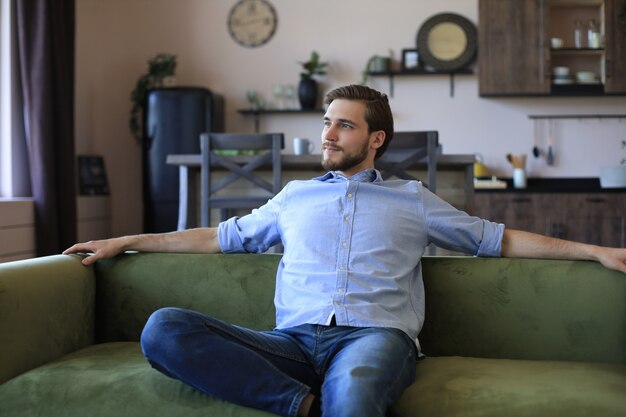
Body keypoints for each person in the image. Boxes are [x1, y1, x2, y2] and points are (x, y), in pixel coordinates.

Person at [64, 84, 626, 417]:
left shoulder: (413, 198)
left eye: (344, 126)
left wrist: (594, 249)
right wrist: (128, 239)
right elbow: (217, 236)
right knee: (164, 328)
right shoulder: (293, 197)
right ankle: (301, 406)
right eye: (327, 123)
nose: (327, 135)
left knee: (355, 396)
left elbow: (495, 239)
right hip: (291, 343)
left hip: (375, 338)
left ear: (375, 139)